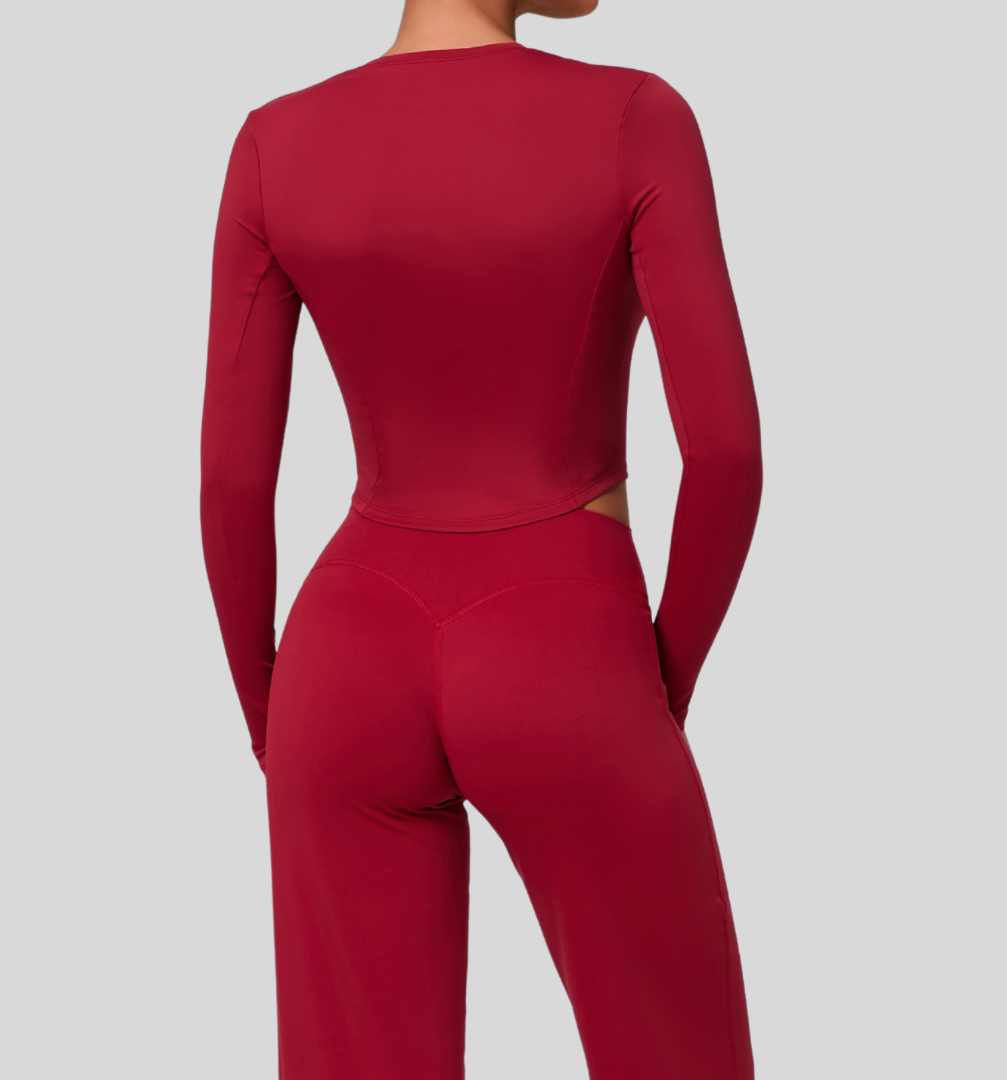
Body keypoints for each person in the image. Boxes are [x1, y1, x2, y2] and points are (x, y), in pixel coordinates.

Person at [199, 0, 762, 1076]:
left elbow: (230, 483)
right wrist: (660, 683)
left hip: (345, 659)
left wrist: (271, 718)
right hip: (564, 641)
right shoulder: (634, 118)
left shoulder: (275, 142)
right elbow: (727, 455)